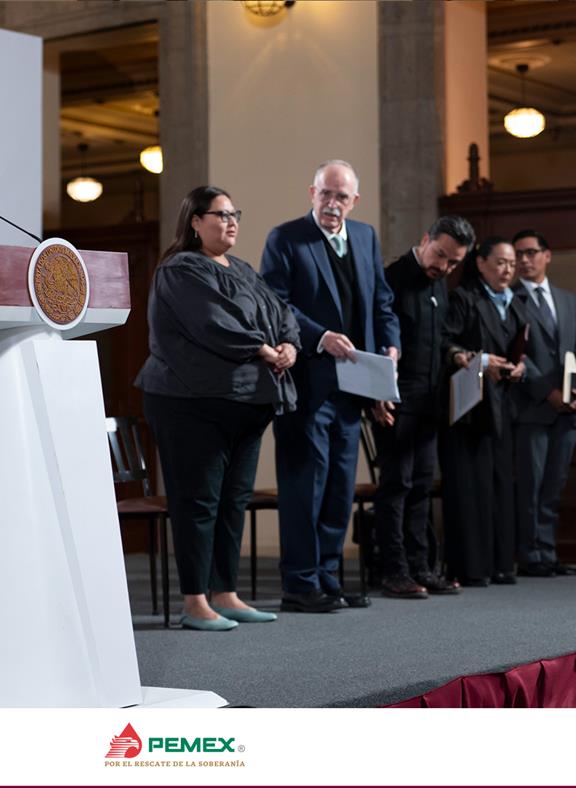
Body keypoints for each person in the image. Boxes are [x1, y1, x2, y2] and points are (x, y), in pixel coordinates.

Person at [135, 185, 300, 631]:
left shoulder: (243, 269)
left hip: (246, 402)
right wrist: (264, 349)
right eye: (221, 214)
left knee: (232, 502)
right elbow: (213, 323)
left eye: (235, 214)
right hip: (190, 402)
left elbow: (281, 312)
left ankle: (224, 592)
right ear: (195, 221)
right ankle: (194, 601)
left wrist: (289, 344)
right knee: (198, 502)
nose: (231, 222)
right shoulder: (181, 269)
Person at [260, 160, 400, 613]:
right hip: (306, 384)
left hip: (354, 386)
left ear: (354, 201)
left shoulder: (365, 237)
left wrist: (390, 348)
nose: (333, 204)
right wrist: (320, 337)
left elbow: (382, 301)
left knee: (340, 486)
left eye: (342, 197)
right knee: (306, 485)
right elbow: (274, 304)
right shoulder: (286, 238)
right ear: (311, 193)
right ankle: (300, 583)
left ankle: (327, 577)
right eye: (326, 194)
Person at [372, 216, 475, 599]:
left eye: (453, 263)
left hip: (429, 401)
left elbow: (440, 338)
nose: (444, 267)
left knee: (420, 487)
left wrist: (456, 354)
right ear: (425, 237)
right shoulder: (393, 278)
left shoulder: (440, 285)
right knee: (396, 486)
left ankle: (421, 567)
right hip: (396, 401)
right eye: (441, 255)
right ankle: (393, 570)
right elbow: (378, 339)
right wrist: (378, 394)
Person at [439, 237, 526, 587]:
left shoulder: (516, 302)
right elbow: (445, 343)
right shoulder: (463, 298)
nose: (507, 269)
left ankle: (501, 563)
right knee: (471, 486)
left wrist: (522, 366)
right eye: (500, 262)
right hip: (470, 406)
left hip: (503, 405)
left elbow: (522, 347)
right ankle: (472, 567)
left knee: (502, 486)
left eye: (511, 264)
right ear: (480, 263)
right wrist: (483, 360)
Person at [511, 229, 576, 577]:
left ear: (547, 255)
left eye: (531, 252)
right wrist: (546, 391)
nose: (524, 260)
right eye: (519, 254)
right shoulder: (510, 299)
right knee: (530, 488)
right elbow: (518, 354)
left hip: (568, 412)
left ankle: (548, 553)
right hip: (532, 408)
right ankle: (529, 554)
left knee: (554, 485)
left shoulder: (569, 300)